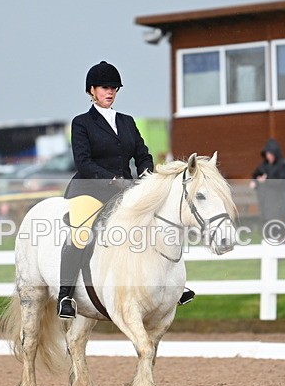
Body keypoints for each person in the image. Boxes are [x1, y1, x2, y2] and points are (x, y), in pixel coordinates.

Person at [57, 61, 194, 319]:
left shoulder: (127, 122)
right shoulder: (82, 123)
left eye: (113, 88)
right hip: (90, 189)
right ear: (92, 91)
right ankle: (65, 295)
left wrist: (146, 173)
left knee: (156, 225)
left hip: (126, 191)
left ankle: (171, 286)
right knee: (81, 233)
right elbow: (83, 162)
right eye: (104, 88)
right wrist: (112, 179)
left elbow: (143, 154)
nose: (110, 92)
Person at [249, 138, 285, 235]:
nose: (268, 156)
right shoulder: (264, 165)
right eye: (267, 154)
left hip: (280, 203)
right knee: (267, 228)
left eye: (270, 154)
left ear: (275, 153)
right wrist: (255, 182)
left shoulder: (283, 166)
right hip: (266, 204)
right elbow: (256, 175)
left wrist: (267, 180)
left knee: (279, 228)